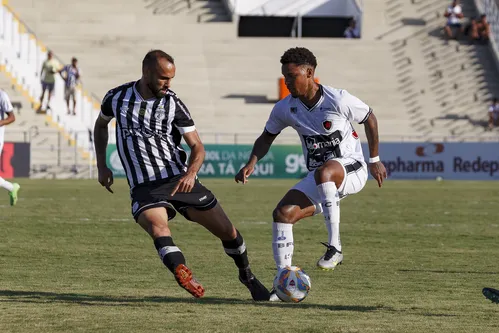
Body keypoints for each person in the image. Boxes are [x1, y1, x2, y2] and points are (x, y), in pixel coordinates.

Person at [93, 50, 270, 301]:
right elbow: (101, 125)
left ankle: (247, 276)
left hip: (179, 179)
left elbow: (197, 147)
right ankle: (181, 270)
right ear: (146, 73)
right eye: (163, 78)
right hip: (145, 186)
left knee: (230, 233)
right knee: (158, 227)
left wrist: (191, 173)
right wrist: (102, 165)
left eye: (171, 78)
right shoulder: (116, 97)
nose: (168, 84)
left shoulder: (173, 103)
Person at [234, 47, 386, 301]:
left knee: (325, 172)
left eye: (292, 76)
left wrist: (375, 159)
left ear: (310, 73)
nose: (287, 82)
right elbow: (267, 136)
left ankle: (335, 247)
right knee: (283, 214)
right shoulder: (285, 108)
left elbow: (369, 117)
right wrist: (252, 162)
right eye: (285, 76)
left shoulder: (338, 99)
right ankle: (284, 283)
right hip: (321, 176)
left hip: (352, 168)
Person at [0, 89, 20, 205]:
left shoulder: (2, 95)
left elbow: (12, 117)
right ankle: (12, 188)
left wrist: (0, 123)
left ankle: (11, 187)